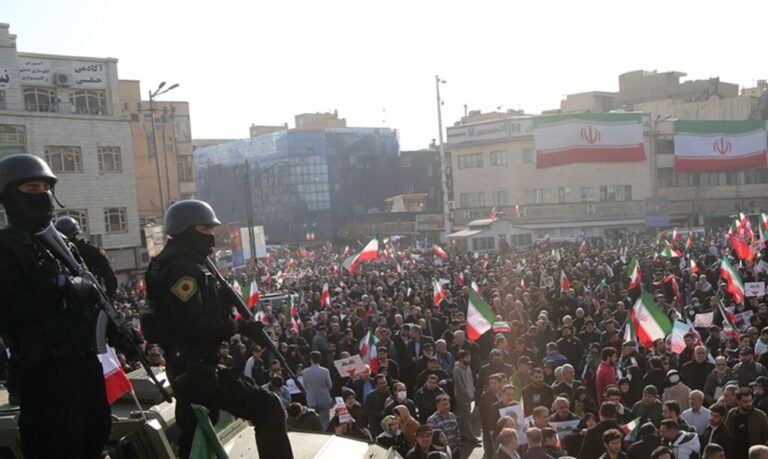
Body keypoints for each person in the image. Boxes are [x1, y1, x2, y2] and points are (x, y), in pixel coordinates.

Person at [142, 199, 292, 459]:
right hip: (196, 367)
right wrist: (238, 326)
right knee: (268, 407)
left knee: (194, 436)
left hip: (187, 365)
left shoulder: (178, 262)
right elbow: (193, 326)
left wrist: (220, 302)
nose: (211, 236)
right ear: (185, 230)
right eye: (204, 229)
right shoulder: (182, 270)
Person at [0, 153, 111, 458]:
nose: (42, 195)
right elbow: (6, 314)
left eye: (46, 188)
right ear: (10, 195)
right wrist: (57, 288)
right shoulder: (6, 248)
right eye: (31, 188)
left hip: (84, 363)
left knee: (96, 436)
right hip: (44, 372)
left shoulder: (63, 244)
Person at [54, 215, 117, 299]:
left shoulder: (55, 252)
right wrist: (108, 296)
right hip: (89, 295)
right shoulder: (91, 250)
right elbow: (109, 275)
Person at [725, 387, 768, 458]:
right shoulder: (732, 414)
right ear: (738, 401)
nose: (749, 404)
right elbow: (727, 435)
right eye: (745, 401)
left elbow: (766, 439)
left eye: (750, 401)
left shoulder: (761, 416)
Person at [453, 349, 479, 444]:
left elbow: (471, 379)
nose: (469, 359)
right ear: (461, 359)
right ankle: (471, 437)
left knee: (464, 416)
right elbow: (459, 385)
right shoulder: (457, 369)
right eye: (467, 358)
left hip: (469, 394)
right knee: (466, 416)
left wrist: (472, 391)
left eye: (469, 357)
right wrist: (467, 394)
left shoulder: (468, 367)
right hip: (462, 396)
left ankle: (462, 435)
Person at [303, 350, 334, 430]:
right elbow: (330, 386)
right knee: (325, 421)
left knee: (312, 419)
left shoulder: (305, 371)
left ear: (311, 359)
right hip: (324, 398)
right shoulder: (325, 371)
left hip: (311, 398)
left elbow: (305, 386)